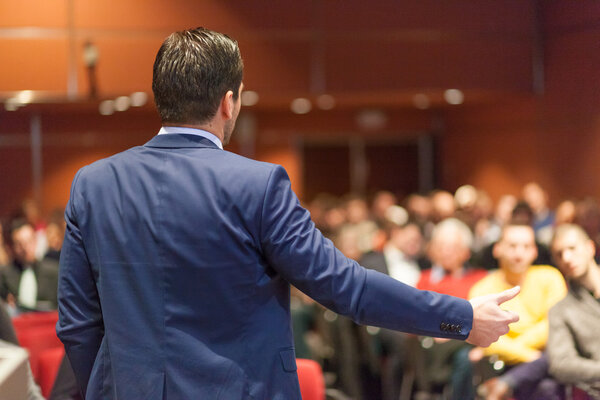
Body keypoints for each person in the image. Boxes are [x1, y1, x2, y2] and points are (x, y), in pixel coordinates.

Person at [56, 27, 519, 400]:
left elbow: (77, 324)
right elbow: (344, 286)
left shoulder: (91, 184)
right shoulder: (258, 184)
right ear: (228, 102)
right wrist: (461, 317)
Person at [470, 222, 567, 399]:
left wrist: (518, 348)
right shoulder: (481, 288)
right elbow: (486, 340)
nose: (519, 253)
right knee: (546, 387)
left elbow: (554, 325)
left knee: (552, 370)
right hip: (507, 363)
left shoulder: (550, 276)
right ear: (497, 249)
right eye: (512, 246)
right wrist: (527, 355)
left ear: (534, 251)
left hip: (546, 358)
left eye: (526, 246)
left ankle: (505, 385)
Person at [548, 224, 600, 398]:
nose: (567, 258)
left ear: (590, 248)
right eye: (559, 254)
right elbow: (561, 364)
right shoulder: (561, 310)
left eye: (572, 248)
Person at [0, 218, 59, 311]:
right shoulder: (4, 275)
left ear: (36, 241)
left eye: (29, 241)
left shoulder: (54, 271)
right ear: (12, 247)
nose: (25, 248)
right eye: (19, 244)